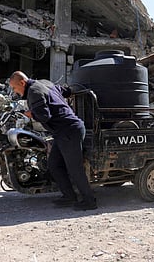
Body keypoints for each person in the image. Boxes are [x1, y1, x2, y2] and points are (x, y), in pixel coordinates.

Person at [9, 71, 97, 210]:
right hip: (62, 131)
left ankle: (89, 201)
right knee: (54, 164)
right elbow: (65, 91)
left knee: (75, 168)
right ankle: (69, 196)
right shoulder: (44, 83)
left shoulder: (34, 92)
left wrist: (30, 114)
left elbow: (44, 116)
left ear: (22, 83)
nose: (15, 92)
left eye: (14, 88)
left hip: (68, 130)